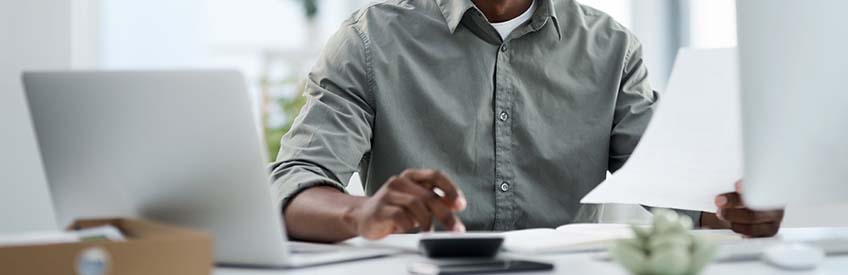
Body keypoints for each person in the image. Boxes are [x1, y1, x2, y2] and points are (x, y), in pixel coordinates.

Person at [270, 0, 784, 243]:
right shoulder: (370, 39)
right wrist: (360, 213)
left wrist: (736, 211)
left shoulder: (611, 47)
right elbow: (293, 185)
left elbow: (676, 190)